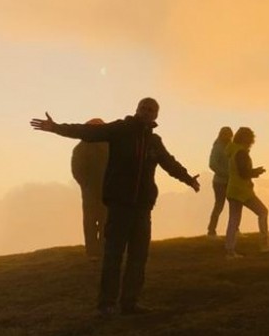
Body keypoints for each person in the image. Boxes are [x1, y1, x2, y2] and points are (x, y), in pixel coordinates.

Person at [30, 98, 201, 315]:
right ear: (137, 110)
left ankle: (130, 303)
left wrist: (189, 179)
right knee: (113, 255)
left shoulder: (154, 141)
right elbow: (88, 132)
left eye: (152, 110)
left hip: (142, 207)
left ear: (156, 115)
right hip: (120, 205)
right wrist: (56, 128)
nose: (147, 112)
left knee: (138, 257)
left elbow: (169, 163)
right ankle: (107, 304)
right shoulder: (120, 130)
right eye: (143, 108)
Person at [224, 127, 269, 258]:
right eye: (250, 139)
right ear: (245, 139)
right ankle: (264, 244)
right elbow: (244, 173)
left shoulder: (233, 151)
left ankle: (230, 251)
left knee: (233, 219)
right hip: (243, 191)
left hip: (232, 189)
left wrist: (254, 171)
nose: (251, 142)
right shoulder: (241, 153)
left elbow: (239, 171)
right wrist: (256, 172)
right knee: (263, 212)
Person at [71, 120, 110, 260]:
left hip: (106, 190)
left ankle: (101, 249)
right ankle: (94, 251)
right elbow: (77, 171)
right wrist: (87, 186)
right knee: (92, 221)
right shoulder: (82, 148)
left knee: (104, 220)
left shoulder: (109, 145)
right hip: (92, 192)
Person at [206, 126, 234, 238]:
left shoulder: (230, 146)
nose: (228, 137)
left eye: (229, 135)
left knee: (234, 206)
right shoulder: (217, 147)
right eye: (226, 134)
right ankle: (211, 231)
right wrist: (225, 173)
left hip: (231, 181)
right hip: (220, 182)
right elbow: (212, 164)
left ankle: (234, 230)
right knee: (219, 206)